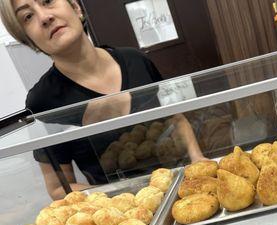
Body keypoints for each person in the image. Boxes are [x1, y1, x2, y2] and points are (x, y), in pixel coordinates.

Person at [0, 0, 205, 199]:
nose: (44, 17)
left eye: (48, 1)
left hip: (183, 186)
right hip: (121, 211)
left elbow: (175, 119)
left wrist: (197, 159)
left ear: (76, 7)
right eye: (27, 16)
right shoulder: (42, 101)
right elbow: (57, 188)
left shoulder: (136, 60)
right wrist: (118, 197)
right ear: (30, 41)